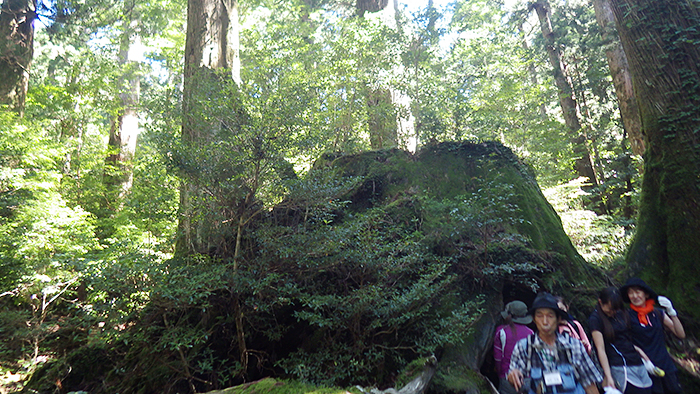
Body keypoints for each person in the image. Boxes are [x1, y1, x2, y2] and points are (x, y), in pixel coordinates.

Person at [507, 292, 602, 394]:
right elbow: (514, 376)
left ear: (558, 319)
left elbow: (589, 385)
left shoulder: (574, 346)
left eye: (550, 316)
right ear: (534, 319)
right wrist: (513, 376)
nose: (545, 322)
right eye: (539, 316)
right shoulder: (524, 347)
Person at [620, 278, 685, 394]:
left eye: (638, 292)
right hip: (645, 369)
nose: (635, 296)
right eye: (631, 292)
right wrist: (644, 358)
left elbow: (680, 334)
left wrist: (672, 312)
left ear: (646, 294)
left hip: (666, 366)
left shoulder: (658, 313)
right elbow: (624, 342)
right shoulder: (626, 316)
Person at [589, 287, 652, 394]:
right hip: (619, 366)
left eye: (615, 309)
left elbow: (625, 339)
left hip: (636, 360)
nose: (612, 312)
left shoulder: (620, 314)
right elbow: (601, 349)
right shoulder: (595, 319)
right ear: (600, 302)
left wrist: (640, 352)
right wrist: (608, 376)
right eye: (609, 309)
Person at [494, 300, 534, 394]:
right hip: (526, 379)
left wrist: (500, 374)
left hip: (507, 377)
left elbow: (498, 358)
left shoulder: (501, 331)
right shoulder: (531, 333)